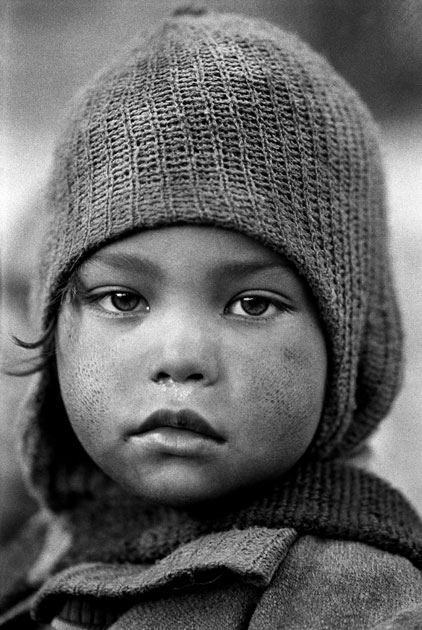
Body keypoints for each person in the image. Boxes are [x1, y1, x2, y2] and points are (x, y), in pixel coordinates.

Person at [1, 9, 422, 629]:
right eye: (123, 300)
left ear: (349, 349)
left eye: (252, 305)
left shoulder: (351, 595)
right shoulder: (40, 552)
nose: (181, 356)